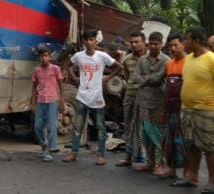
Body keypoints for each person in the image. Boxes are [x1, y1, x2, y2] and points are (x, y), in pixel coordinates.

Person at [175, 26, 214, 194]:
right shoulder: (188, 58)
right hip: (187, 109)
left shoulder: (212, 59)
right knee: (191, 143)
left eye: (187, 39)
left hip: (206, 109)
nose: (185, 42)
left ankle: (212, 183)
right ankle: (192, 177)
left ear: (196, 41)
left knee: (210, 146)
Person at [63, 30, 123, 165]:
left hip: (97, 97)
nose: (89, 42)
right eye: (87, 40)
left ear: (96, 41)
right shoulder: (79, 56)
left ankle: (101, 155)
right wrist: (75, 78)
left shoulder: (102, 56)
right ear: (84, 41)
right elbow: (68, 65)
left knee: (100, 127)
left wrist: (108, 78)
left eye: (92, 40)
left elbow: (119, 67)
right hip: (82, 96)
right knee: (78, 127)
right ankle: (73, 153)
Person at [132, 31, 170, 175]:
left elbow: (158, 78)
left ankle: (161, 163)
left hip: (158, 102)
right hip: (143, 101)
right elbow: (135, 76)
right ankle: (150, 162)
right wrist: (148, 79)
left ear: (162, 44)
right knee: (146, 134)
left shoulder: (166, 61)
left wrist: (145, 79)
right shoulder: (143, 60)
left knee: (158, 134)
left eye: (156, 44)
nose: (153, 46)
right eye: (151, 44)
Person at [160, 33, 188, 179]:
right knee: (169, 140)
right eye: (170, 46)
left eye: (176, 45)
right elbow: (167, 86)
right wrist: (164, 108)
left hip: (184, 108)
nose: (172, 48)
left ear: (183, 45)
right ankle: (172, 170)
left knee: (183, 141)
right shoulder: (169, 63)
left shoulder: (189, 62)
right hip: (170, 107)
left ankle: (187, 173)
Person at [30, 45, 64, 162]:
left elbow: (61, 85)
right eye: (41, 56)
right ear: (39, 58)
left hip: (52, 101)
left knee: (51, 127)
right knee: (37, 126)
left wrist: (62, 101)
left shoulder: (55, 69)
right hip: (40, 101)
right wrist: (33, 103)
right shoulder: (37, 70)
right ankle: (43, 145)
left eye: (45, 56)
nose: (43, 58)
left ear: (49, 57)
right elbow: (34, 87)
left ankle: (50, 150)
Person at [118, 32, 147, 167]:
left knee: (144, 128)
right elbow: (127, 77)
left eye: (137, 42)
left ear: (144, 43)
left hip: (146, 97)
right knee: (128, 127)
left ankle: (149, 159)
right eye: (132, 42)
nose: (134, 45)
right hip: (130, 95)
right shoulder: (127, 59)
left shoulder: (150, 59)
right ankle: (128, 157)